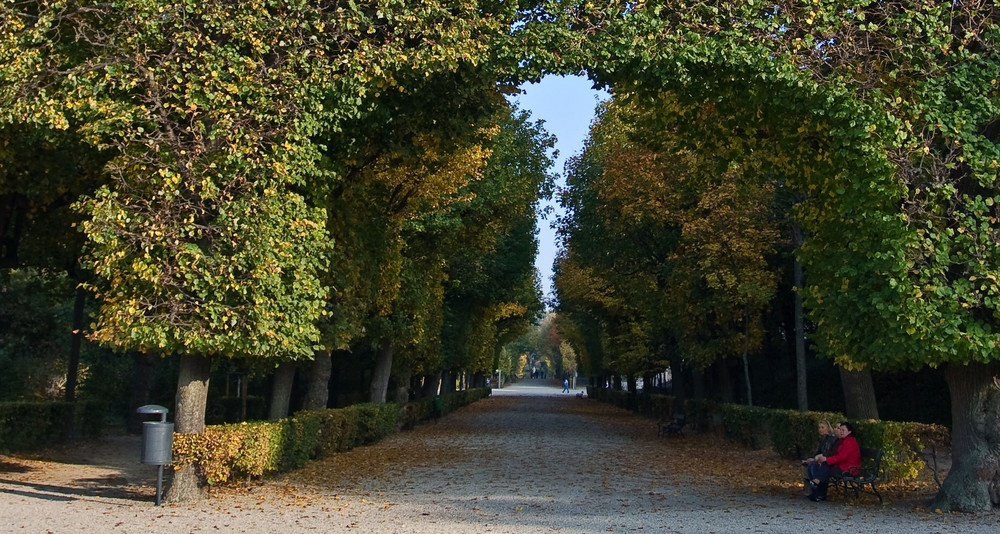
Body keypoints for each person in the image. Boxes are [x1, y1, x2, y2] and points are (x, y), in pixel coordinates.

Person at [806, 421, 861, 502]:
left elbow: (841, 457)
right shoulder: (843, 440)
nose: (841, 432)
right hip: (842, 466)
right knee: (824, 466)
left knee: (825, 468)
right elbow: (835, 454)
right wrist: (825, 459)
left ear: (849, 432)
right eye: (840, 430)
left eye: (843, 430)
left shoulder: (850, 442)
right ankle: (818, 491)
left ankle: (818, 487)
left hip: (849, 469)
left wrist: (827, 459)